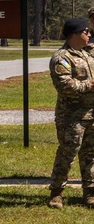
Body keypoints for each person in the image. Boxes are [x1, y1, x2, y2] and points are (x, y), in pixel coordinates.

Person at [47, 17, 94, 209]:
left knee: (90, 155)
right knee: (68, 154)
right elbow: (64, 85)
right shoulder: (62, 58)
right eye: (86, 31)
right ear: (75, 34)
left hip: (90, 113)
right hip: (72, 116)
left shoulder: (87, 56)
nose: (89, 34)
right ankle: (56, 193)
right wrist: (89, 86)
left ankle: (90, 193)